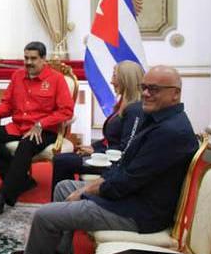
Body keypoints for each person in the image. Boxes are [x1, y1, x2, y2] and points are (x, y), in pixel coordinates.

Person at [10, 65, 199, 254]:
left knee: (44, 215)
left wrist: (87, 192)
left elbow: (126, 181)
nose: (145, 93)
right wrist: (97, 184)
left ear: (175, 94)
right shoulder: (158, 120)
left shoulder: (169, 132)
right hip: (131, 196)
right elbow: (126, 165)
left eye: (154, 89)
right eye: (144, 87)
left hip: (138, 212)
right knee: (63, 187)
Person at [0, 41, 74, 213]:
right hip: (19, 126)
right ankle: (22, 181)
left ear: (44, 59)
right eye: (26, 58)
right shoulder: (17, 76)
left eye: (33, 58)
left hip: (44, 131)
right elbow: (7, 103)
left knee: (26, 144)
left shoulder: (57, 80)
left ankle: (3, 197)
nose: (28, 62)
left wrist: (41, 123)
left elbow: (66, 111)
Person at [50, 60, 144, 197]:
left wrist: (98, 151)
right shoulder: (124, 104)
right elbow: (111, 139)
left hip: (112, 163)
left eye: (114, 76)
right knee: (62, 159)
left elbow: (125, 148)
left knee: (62, 161)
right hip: (105, 155)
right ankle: (67, 201)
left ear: (125, 80)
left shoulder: (134, 110)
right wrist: (94, 147)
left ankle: (62, 206)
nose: (111, 82)